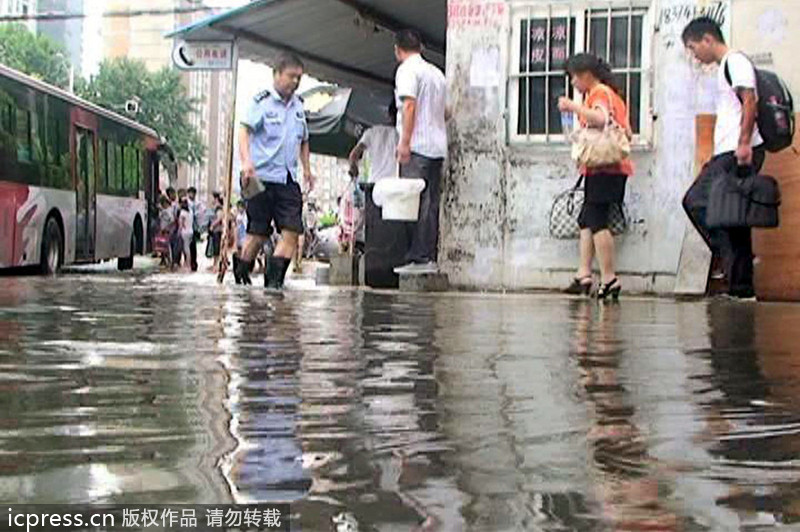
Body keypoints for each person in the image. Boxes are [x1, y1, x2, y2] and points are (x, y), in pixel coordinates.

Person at [682, 17, 765, 299]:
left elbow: (750, 101)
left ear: (708, 39)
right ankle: (742, 286)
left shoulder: (735, 61)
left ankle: (732, 258)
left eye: (694, 48)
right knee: (734, 219)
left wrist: (743, 144)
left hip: (735, 151)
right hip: (728, 151)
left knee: (695, 201)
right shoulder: (725, 67)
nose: (695, 56)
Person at [557, 53, 634, 300]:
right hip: (608, 169)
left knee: (598, 220)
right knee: (586, 219)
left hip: (605, 169)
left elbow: (600, 119)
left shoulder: (599, 93)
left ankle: (609, 278)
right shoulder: (614, 96)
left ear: (585, 75)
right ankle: (584, 275)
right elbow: (628, 133)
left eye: (573, 77)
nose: (573, 84)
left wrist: (573, 107)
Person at [235, 53, 315, 289]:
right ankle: (241, 275)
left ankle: (274, 286)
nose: (295, 82)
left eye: (299, 78)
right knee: (258, 234)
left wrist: (307, 170)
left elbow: (304, 140)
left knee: (291, 231)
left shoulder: (299, 106)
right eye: (291, 76)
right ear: (277, 75)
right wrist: (246, 162)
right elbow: (244, 131)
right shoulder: (261, 103)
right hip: (259, 177)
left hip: (288, 179)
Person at [391, 30, 448, 274]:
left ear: (397, 49)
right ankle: (427, 257)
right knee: (431, 202)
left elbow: (409, 105)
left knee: (412, 201)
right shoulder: (437, 73)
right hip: (437, 147)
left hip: (417, 147)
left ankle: (417, 258)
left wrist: (404, 142)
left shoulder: (407, 70)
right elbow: (447, 111)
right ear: (421, 47)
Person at [348, 99, 399, 183]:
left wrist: (354, 168)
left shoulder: (371, 132)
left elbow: (353, 155)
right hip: (394, 183)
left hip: (374, 183)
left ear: (389, 115)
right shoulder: (401, 135)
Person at [178, 198, 194, 272]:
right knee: (188, 248)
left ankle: (188, 264)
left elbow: (181, 224)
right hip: (190, 231)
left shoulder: (182, 213)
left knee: (186, 249)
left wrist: (179, 231)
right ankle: (188, 263)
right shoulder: (190, 211)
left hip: (185, 232)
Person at [187, 187, 200, 272]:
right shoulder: (186, 203)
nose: (192, 195)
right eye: (190, 193)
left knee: (193, 246)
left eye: (193, 193)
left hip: (194, 228)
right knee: (187, 246)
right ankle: (188, 263)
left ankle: (193, 263)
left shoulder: (197, 204)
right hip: (187, 227)